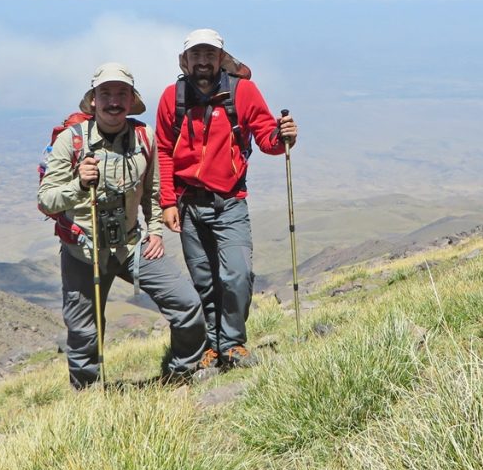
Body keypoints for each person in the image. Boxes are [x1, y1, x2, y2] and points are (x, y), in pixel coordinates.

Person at [38, 62, 207, 388]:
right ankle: (88, 397)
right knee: (84, 331)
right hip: (83, 251)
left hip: (131, 244)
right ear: (93, 101)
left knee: (186, 304)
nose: (113, 101)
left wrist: (155, 230)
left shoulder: (144, 138)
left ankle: (180, 376)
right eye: (106, 94)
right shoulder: (70, 143)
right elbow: (46, 200)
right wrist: (78, 185)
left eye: (121, 94)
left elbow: (154, 193)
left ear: (131, 101)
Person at [155, 29, 298, 371]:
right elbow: (163, 149)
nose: (202, 62)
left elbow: (267, 138)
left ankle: (232, 343)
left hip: (230, 201)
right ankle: (213, 347)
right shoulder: (172, 98)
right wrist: (168, 202)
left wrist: (282, 136)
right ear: (184, 61)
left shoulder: (241, 92)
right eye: (195, 56)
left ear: (221, 58)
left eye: (209, 55)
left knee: (237, 274)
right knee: (204, 281)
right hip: (189, 204)